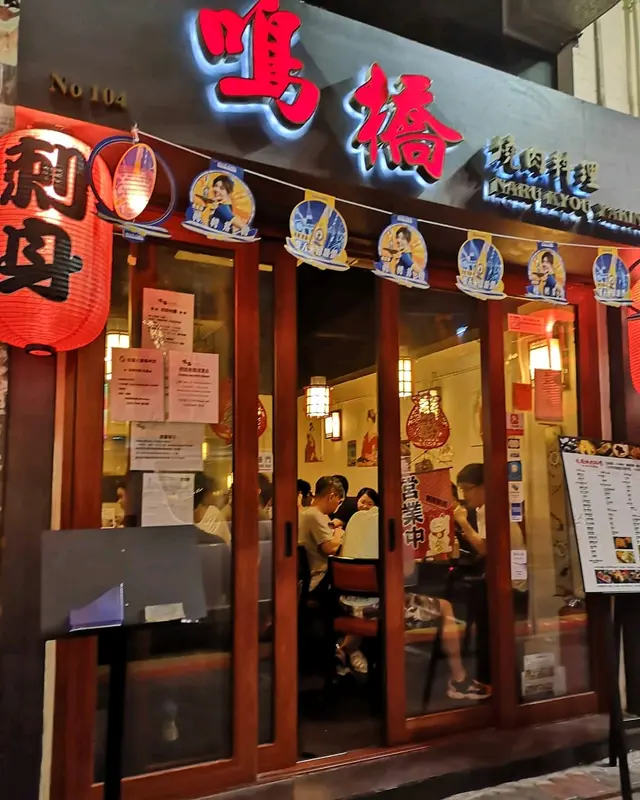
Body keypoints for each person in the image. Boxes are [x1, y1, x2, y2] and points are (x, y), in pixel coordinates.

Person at [338, 490, 487, 699]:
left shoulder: (356, 519)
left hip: (349, 605)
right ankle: (458, 679)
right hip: (382, 608)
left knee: (380, 599)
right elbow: (407, 572)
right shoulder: (394, 525)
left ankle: (343, 652)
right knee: (444, 606)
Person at [298, 475, 345, 593]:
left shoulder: (308, 512)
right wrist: (339, 533)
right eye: (338, 501)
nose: (337, 505)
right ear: (331, 496)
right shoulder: (314, 515)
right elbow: (330, 548)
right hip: (319, 579)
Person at [194, 472, 231, 545]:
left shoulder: (182, 516)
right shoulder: (213, 514)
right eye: (212, 492)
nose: (213, 496)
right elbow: (227, 544)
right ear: (206, 494)